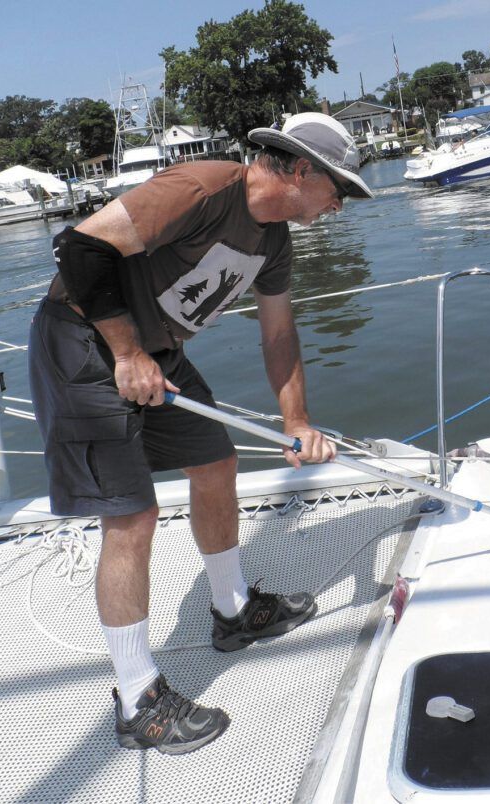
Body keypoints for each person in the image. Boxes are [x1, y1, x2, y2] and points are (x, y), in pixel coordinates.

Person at [28, 113, 374, 755]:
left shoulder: (274, 241)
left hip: (154, 353)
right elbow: (80, 247)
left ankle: (233, 610)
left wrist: (296, 420)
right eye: (338, 190)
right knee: (132, 516)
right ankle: (137, 698)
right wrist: (127, 354)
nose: (338, 206)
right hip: (82, 340)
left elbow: (278, 333)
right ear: (302, 172)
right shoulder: (205, 188)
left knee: (216, 461)